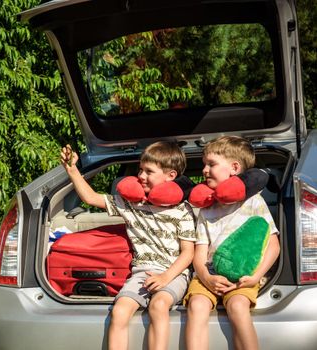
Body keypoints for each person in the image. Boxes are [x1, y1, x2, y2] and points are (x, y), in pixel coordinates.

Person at [60, 141, 196, 350]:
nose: (141, 175)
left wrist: (165, 277)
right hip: (141, 274)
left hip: (174, 274)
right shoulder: (130, 204)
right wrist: (72, 171)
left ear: (171, 175)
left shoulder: (182, 209)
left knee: (159, 306)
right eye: (140, 169)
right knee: (120, 311)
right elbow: (91, 198)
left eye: (149, 171)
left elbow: (188, 253)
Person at [184, 135, 280, 350]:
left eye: (211, 164)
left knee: (238, 306)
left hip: (243, 278)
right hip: (208, 274)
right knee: (197, 305)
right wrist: (207, 278)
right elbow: (199, 252)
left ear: (234, 168)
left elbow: (273, 245)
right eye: (204, 165)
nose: (204, 171)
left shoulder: (255, 202)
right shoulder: (206, 208)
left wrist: (255, 276)